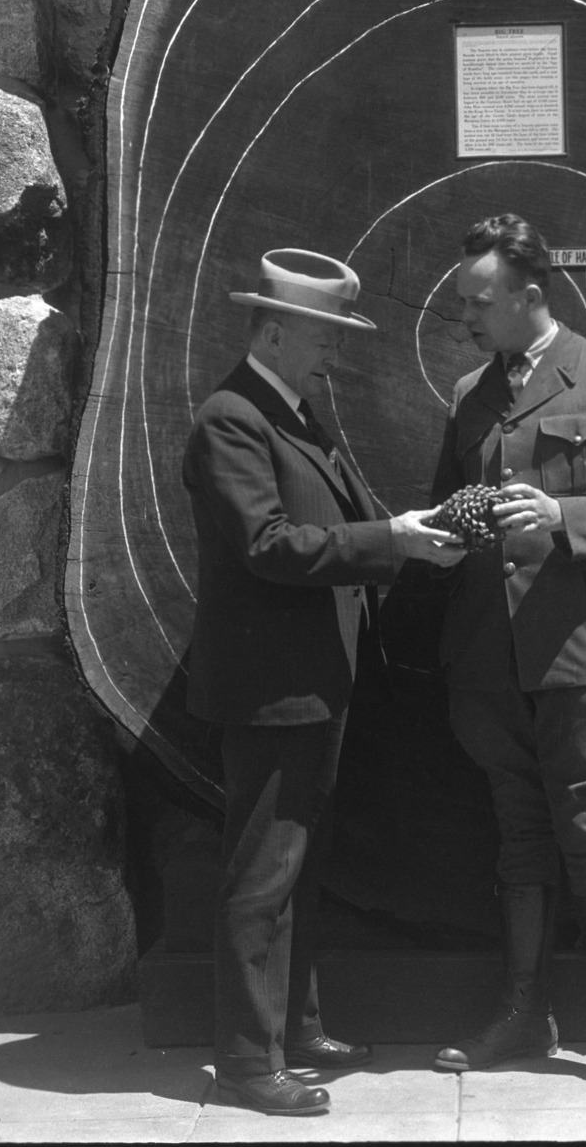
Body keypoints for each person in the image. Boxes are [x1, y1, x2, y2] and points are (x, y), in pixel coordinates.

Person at [183, 248, 464, 1116]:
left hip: (310, 684)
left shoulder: (288, 411)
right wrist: (395, 538)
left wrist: (400, 536)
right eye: (322, 335)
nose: (333, 353)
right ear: (271, 330)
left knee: (296, 869)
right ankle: (243, 1059)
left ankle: (292, 1028)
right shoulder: (233, 420)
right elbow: (268, 545)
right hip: (273, 689)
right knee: (262, 874)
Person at [429, 214, 586, 1105]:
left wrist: (563, 519)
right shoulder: (467, 393)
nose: (468, 318)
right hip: (490, 659)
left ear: (532, 296)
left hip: (579, 650)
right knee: (518, 836)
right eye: (464, 302)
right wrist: (442, 534)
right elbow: (446, 505)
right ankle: (523, 1012)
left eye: (480, 302)